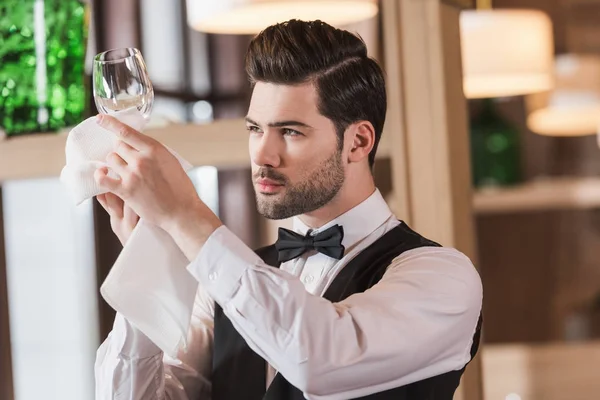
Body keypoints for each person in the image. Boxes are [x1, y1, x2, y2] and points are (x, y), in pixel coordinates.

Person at [94, 19, 482, 400]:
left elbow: (320, 361)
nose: (263, 154)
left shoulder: (442, 278)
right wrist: (150, 252)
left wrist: (184, 214)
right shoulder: (222, 286)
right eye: (254, 129)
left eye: (291, 131)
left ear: (358, 142)